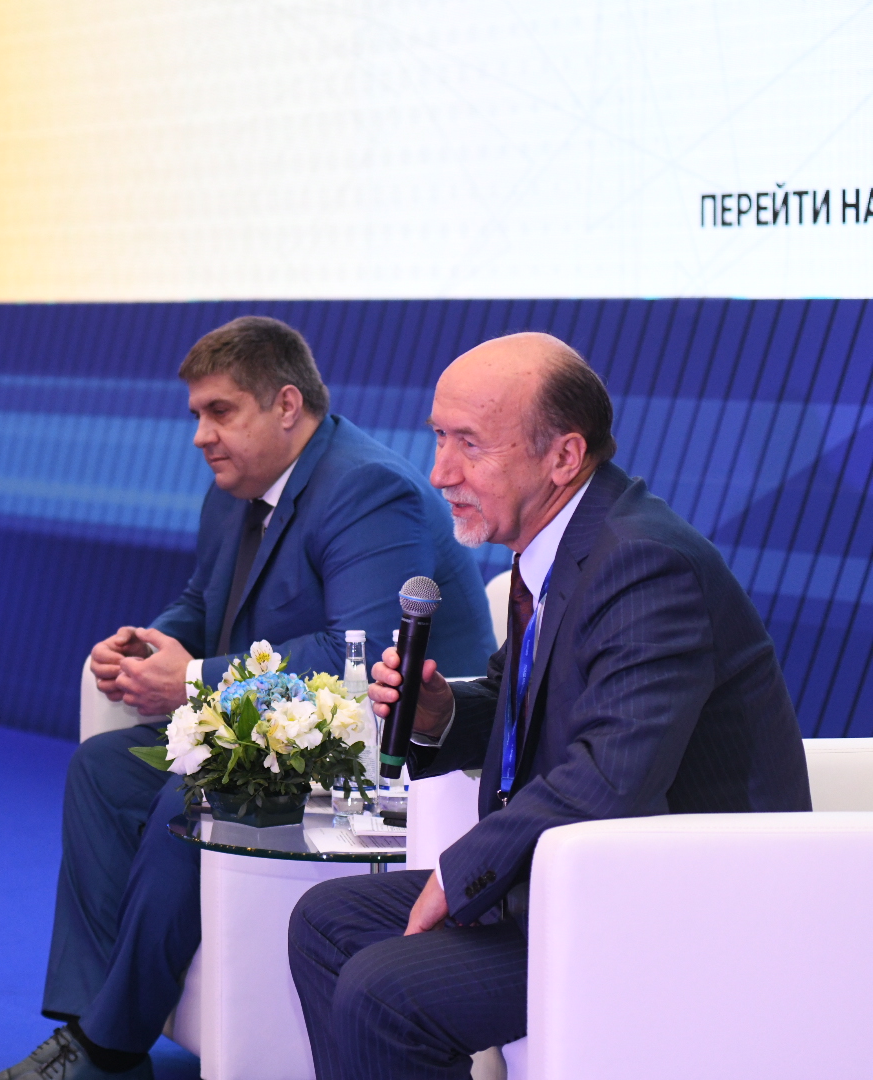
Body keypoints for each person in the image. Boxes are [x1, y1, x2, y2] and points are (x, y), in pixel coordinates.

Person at [0, 316, 496, 1080]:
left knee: (193, 787)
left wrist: (194, 678)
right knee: (105, 770)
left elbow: (361, 658)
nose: (200, 436)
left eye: (220, 412)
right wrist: (147, 643)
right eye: (196, 415)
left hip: (390, 753)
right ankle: (94, 1034)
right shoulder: (235, 492)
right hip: (279, 730)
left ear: (286, 405)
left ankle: (107, 1047)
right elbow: (203, 601)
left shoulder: (368, 489)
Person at [287, 332, 812, 1080]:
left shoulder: (644, 563)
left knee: (386, 991)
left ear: (564, 457)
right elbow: (524, 701)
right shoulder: (558, 548)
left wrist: (460, 874)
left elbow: (608, 777)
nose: (440, 472)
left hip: (678, 910)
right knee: (325, 922)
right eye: (439, 437)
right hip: (577, 885)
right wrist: (441, 714)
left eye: (470, 444)